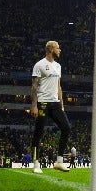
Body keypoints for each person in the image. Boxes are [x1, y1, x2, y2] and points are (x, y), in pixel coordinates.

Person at [30, 40, 71, 173]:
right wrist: (34, 105)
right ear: (51, 49)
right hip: (42, 103)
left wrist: (62, 103)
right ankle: (36, 163)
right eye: (58, 48)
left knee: (66, 128)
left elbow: (59, 86)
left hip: (55, 104)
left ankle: (59, 161)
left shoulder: (58, 66)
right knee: (39, 132)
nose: (60, 50)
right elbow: (34, 86)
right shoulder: (39, 65)